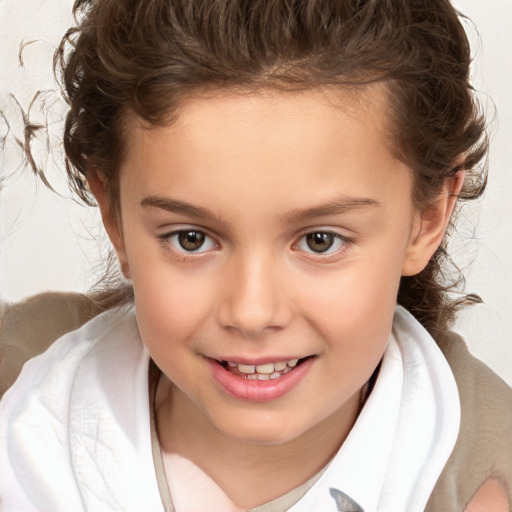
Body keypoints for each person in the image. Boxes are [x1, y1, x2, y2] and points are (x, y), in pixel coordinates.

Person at [0, 0, 511, 510]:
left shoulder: (480, 479)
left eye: (320, 241)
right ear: (113, 214)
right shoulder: (21, 383)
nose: (251, 312)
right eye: (191, 239)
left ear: (427, 218)